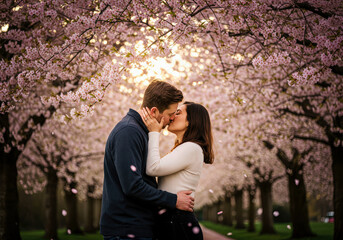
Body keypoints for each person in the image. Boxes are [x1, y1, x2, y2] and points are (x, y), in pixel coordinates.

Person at [100, 81, 195, 240]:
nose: (172, 119)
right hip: (127, 229)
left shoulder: (141, 132)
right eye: (170, 114)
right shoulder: (129, 132)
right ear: (154, 111)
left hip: (136, 226)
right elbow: (132, 185)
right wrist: (174, 200)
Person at [140, 101, 214, 240]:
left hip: (177, 222)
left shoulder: (191, 148)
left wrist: (154, 133)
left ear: (190, 122)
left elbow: (153, 168)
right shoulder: (185, 148)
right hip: (174, 220)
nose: (172, 116)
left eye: (178, 113)